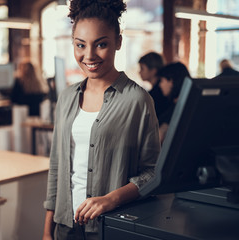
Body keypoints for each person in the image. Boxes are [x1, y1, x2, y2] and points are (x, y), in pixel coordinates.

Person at [42, 0, 161, 239]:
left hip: (109, 227)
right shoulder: (66, 97)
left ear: (118, 41)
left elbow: (152, 173)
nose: (89, 56)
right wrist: (47, 230)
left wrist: (110, 199)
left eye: (101, 44)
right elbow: (56, 167)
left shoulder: (138, 100)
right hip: (65, 226)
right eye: (80, 45)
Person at [157, 62, 191, 144]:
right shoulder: (179, 104)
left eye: (161, 81)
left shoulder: (179, 108)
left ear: (171, 81)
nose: (160, 85)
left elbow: (159, 136)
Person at [138, 51, 170, 117]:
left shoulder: (157, 94)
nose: (139, 72)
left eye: (142, 68)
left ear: (153, 71)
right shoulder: (155, 91)